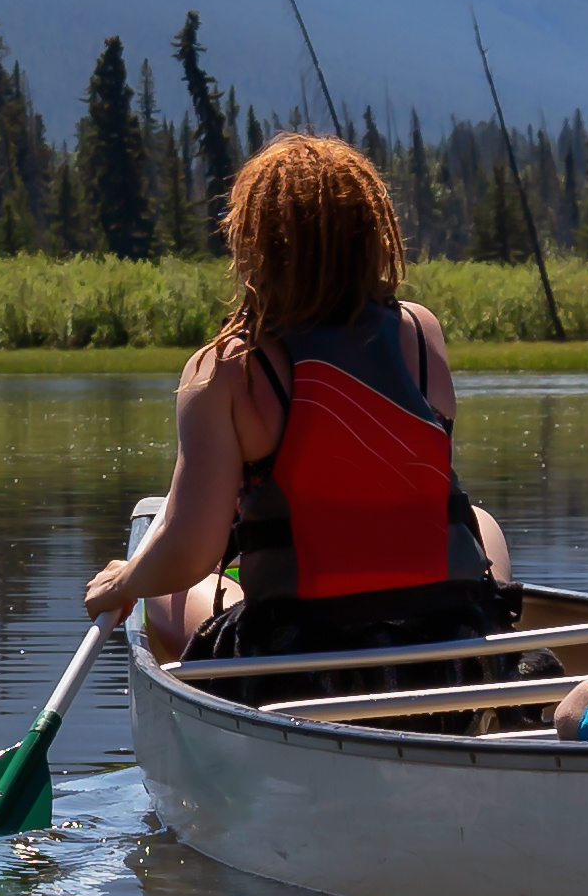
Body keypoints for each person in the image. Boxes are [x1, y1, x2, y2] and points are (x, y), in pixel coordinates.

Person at [85, 133, 516, 669]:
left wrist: (126, 580)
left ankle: (205, 699)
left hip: (301, 653)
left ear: (255, 246)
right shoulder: (419, 331)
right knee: (481, 522)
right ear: (372, 237)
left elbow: (191, 550)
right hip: (445, 633)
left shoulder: (226, 368)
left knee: (164, 598)